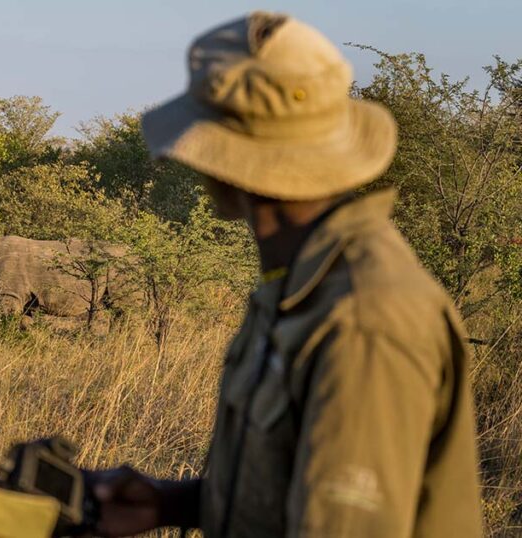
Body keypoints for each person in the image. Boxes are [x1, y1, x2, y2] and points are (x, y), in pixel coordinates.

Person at [86, 12, 483, 538]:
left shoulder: (363, 318)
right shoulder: (301, 284)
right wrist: (168, 504)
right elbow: (296, 492)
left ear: (228, 168)